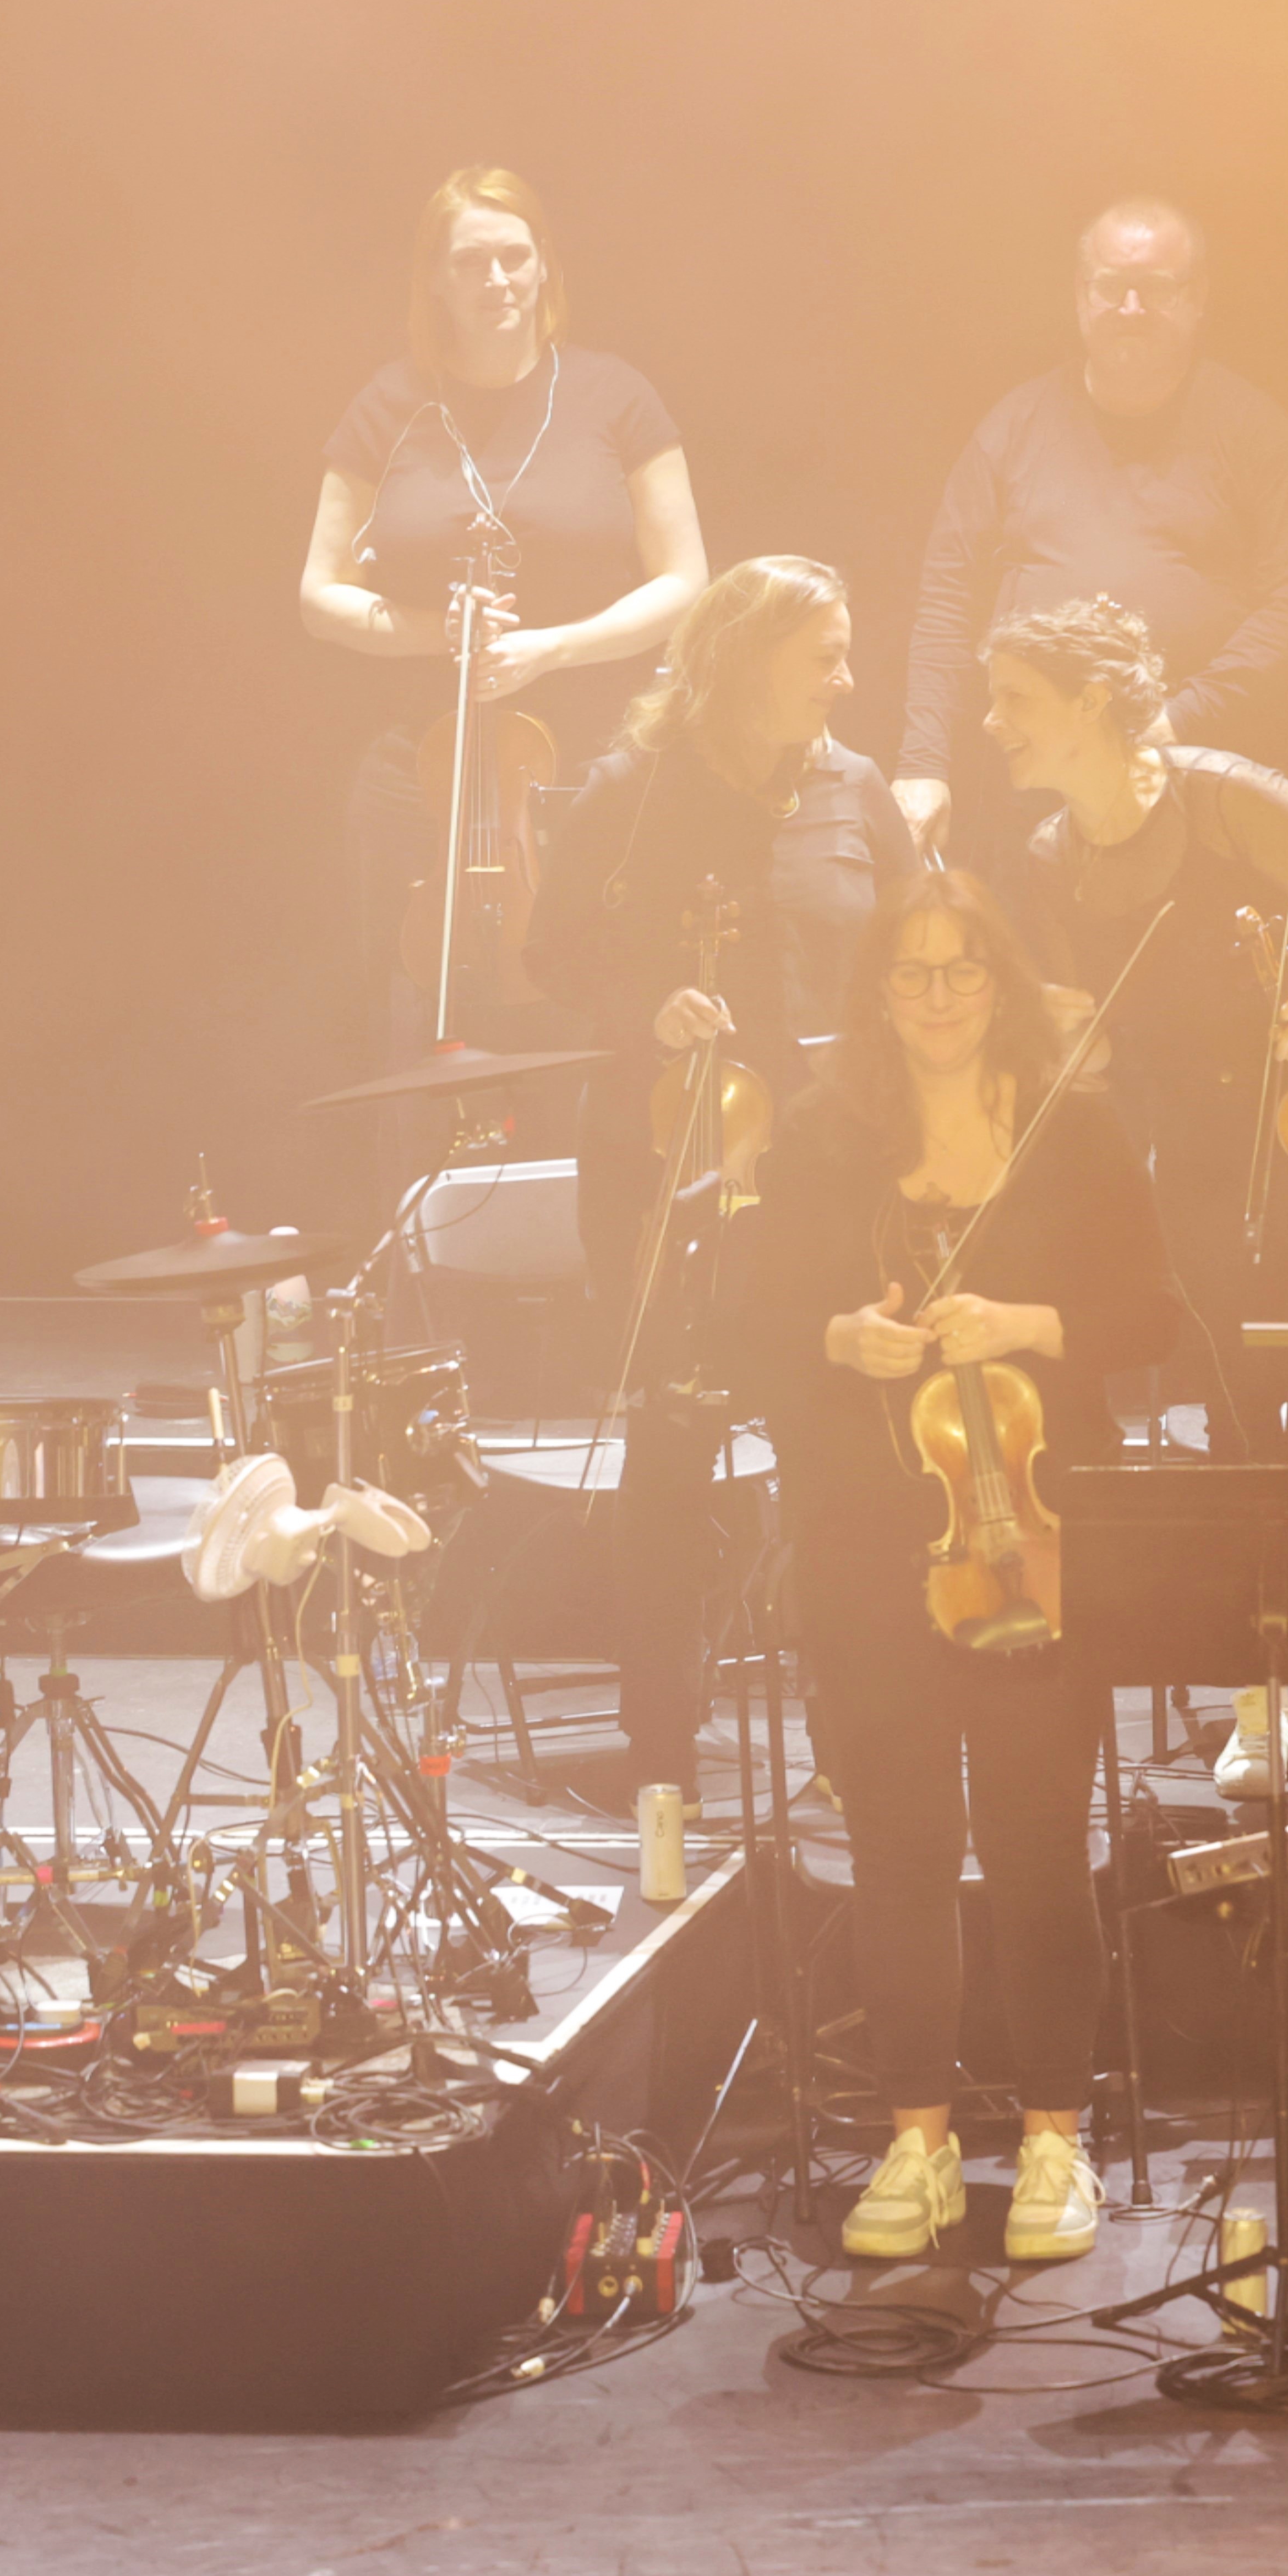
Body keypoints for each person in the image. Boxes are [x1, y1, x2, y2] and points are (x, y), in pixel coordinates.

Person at [712, 872, 1178, 2263]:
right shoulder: (820, 1139)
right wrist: (834, 1341)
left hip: (1029, 1534)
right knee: (899, 1846)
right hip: (867, 1541)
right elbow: (748, 1325)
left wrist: (1028, 1322)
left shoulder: (1073, 1132)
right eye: (908, 971)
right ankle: (912, 2140)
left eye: (961, 968)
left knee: (1037, 1841)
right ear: (874, 992)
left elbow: (1154, 1313)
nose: (935, 996)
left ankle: (1052, 2137)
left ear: (1001, 982)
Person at [527, 556, 924, 1790]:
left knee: (839, 1453)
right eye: (825, 658)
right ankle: (661, 1743)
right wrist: (647, 1009)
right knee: (673, 1448)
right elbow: (549, 956)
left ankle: (857, 1736)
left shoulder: (853, 788)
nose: (847, 681)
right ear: (746, 664)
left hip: (829, 1173)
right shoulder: (632, 791)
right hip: (667, 1161)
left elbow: (921, 939)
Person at [299, 167, 709, 1057]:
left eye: (515, 258)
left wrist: (552, 648)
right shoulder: (389, 405)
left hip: (585, 765)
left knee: (587, 1012)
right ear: (435, 280)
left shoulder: (614, 395)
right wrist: (433, 633)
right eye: (470, 262)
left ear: (544, 266)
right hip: (421, 773)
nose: (496, 280)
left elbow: (686, 581)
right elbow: (319, 594)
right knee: (413, 1025)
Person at [987, 594, 1288, 1452]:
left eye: (1014, 698)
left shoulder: (1224, 796)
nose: (991, 722)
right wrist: (1075, 1043)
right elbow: (1101, 1035)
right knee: (1230, 1361)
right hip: (1206, 1123)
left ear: (1092, 701)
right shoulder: (1049, 855)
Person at [894, 199, 1288, 859]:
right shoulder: (1013, 427)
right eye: (1111, 286)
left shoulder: (1253, 432)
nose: (1131, 308)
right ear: (1080, 294)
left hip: (1193, 792)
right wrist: (922, 764)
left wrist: (1178, 719)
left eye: (1154, 288)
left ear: (1196, 298)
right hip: (1022, 795)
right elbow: (945, 600)